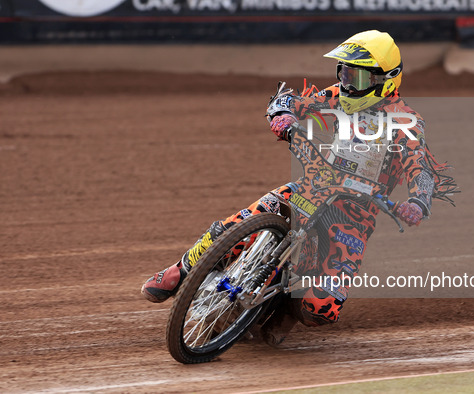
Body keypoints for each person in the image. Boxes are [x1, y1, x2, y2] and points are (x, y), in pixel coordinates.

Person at [141, 30, 457, 344]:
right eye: (345, 72)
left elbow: (420, 167)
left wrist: (418, 201)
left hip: (353, 218)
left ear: (385, 80)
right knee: (245, 219)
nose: (348, 83)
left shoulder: (405, 121)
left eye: (358, 77)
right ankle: (178, 272)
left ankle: (284, 312)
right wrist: (282, 112)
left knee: (321, 308)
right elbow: (292, 99)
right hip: (311, 187)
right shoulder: (336, 96)